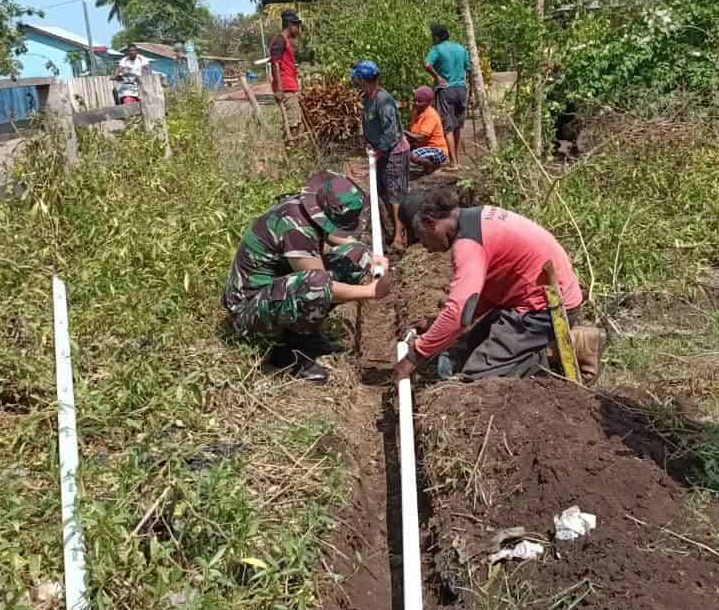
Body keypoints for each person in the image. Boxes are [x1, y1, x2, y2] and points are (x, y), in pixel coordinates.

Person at [391, 188, 584, 383]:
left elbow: (459, 312)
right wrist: (437, 326)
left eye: (420, 237)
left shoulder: (468, 244)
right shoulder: (476, 217)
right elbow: (478, 299)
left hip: (546, 308)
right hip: (526, 297)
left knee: (478, 380)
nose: (424, 246)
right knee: (460, 353)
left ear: (430, 223)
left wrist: (415, 354)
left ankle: (560, 350)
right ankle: (544, 347)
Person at [222, 170, 392, 383]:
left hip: (274, 292)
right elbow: (320, 286)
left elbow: (330, 235)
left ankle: (305, 333)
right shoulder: (295, 227)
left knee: (358, 254)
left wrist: (369, 256)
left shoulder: (305, 210)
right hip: (248, 309)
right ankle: (290, 352)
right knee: (316, 284)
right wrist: (371, 292)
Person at [353, 60, 411, 249]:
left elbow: (392, 133)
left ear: (363, 80)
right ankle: (391, 230)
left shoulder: (383, 100)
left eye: (357, 78)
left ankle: (399, 237)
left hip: (394, 152)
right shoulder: (368, 99)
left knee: (396, 194)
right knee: (383, 192)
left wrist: (378, 152)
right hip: (379, 153)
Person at [423, 23, 470, 170]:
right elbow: (468, 69)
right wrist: (470, 90)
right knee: (457, 126)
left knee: (448, 127)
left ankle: (453, 162)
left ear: (437, 37)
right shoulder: (461, 48)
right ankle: (456, 159)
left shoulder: (437, 49)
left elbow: (427, 64)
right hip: (461, 89)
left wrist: (437, 77)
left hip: (446, 90)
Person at [270, 9, 305, 142]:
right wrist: (279, 89)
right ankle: (290, 154)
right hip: (285, 89)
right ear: (290, 25)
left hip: (290, 88)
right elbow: (275, 64)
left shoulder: (284, 41)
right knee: (291, 125)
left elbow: (283, 63)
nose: (298, 29)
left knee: (297, 123)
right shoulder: (279, 40)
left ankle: (296, 153)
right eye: (297, 26)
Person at [406, 86, 449, 174]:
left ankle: (431, 166)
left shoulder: (431, 115)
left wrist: (403, 132)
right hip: (423, 147)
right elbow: (412, 135)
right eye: (415, 100)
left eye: (420, 101)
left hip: (437, 149)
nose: (416, 103)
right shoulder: (416, 112)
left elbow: (420, 137)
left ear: (429, 102)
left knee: (413, 155)